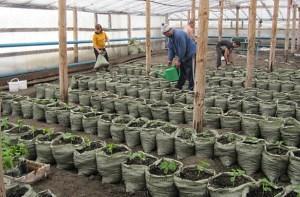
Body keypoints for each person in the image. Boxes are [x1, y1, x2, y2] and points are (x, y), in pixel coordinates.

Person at [162, 25, 196, 91]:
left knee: (190, 72)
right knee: (182, 71)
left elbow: (182, 49)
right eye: (164, 34)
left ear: (170, 30)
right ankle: (179, 86)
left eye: (165, 33)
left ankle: (192, 88)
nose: (165, 35)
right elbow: (171, 49)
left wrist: (179, 60)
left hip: (190, 54)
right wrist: (170, 59)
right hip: (183, 56)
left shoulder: (179, 35)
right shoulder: (170, 37)